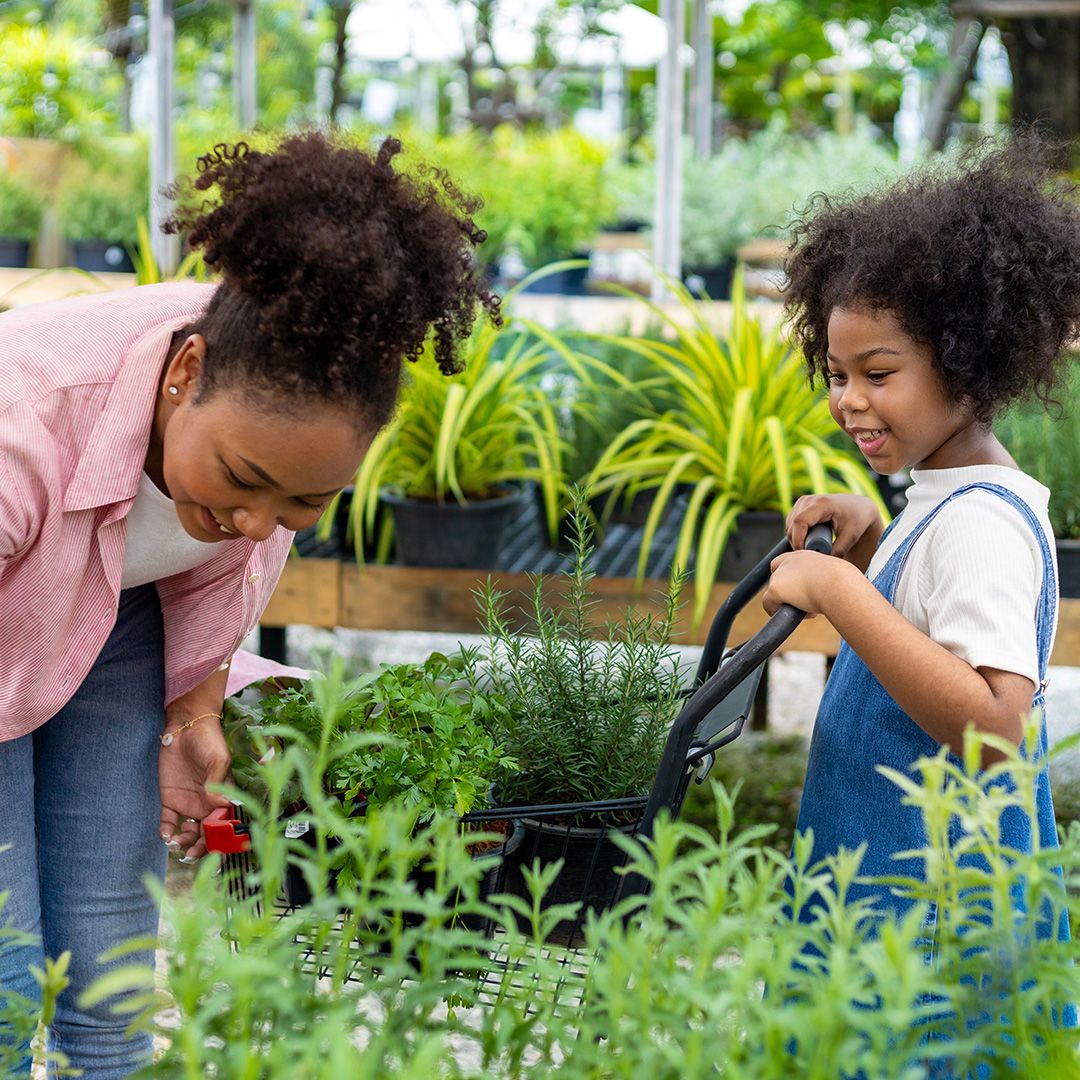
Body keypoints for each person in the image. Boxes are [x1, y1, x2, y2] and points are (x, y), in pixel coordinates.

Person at [0, 131, 498, 1077]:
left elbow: (223, 575)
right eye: (244, 479)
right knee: (6, 968)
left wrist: (191, 716)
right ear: (181, 375)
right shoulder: (19, 424)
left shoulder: (289, 388)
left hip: (112, 611)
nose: (256, 520)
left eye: (303, 503)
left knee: (107, 963)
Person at [763, 135, 1080, 1036]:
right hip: (888, 903)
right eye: (836, 375)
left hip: (932, 933)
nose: (848, 399)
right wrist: (868, 557)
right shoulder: (940, 496)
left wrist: (838, 592)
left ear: (969, 364)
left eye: (879, 374)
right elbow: (930, 644)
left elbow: (992, 728)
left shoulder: (981, 520)